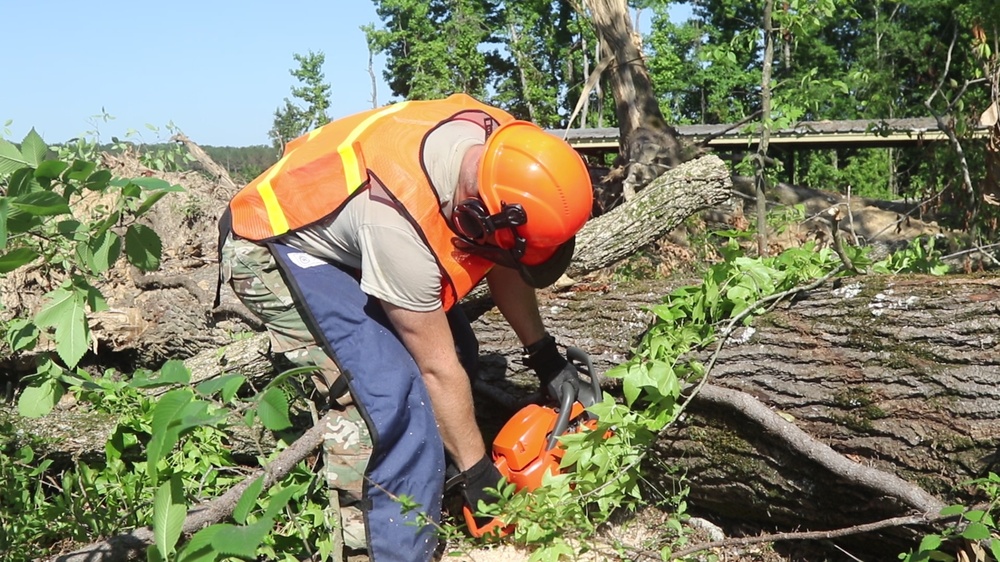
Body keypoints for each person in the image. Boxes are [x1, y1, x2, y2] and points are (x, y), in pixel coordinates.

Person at [218, 93, 593, 562]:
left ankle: (441, 481)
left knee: (460, 350)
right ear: (478, 214)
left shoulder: (505, 153)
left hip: (354, 225)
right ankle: (388, 549)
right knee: (389, 392)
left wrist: (546, 358)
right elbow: (436, 369)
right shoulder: (399, 225)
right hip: (269, 241)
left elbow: (506, 262)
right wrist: (479, 473)